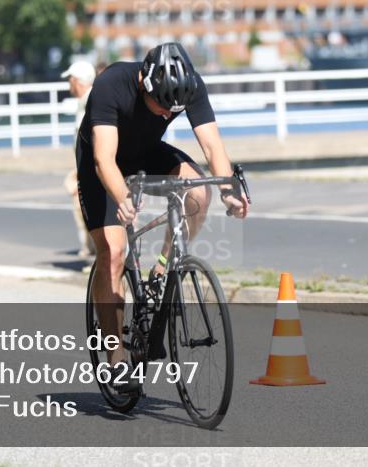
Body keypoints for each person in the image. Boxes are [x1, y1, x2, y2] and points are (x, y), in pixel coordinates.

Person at [75, 43, 247, 392]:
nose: (168, 115)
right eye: (163, 106)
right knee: (114, 252)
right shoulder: (112, 83)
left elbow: (213, 146)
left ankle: (162, 268)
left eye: (175, 109)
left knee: (199, 193)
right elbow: (104, 160)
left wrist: (229, 188)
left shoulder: (189, 83)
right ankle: (116, 355)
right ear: (144, 83)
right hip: (102, 162)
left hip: (145, 152)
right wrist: (122, 198)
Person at [61, 60, 98, 258]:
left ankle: (95, 253)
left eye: (70, 80)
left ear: (77, 81)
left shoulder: (91, 102)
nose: (69, 84)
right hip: (87, 169)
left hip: (92, 170)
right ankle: (92, 251)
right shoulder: (85, 102)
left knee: (90, 214)